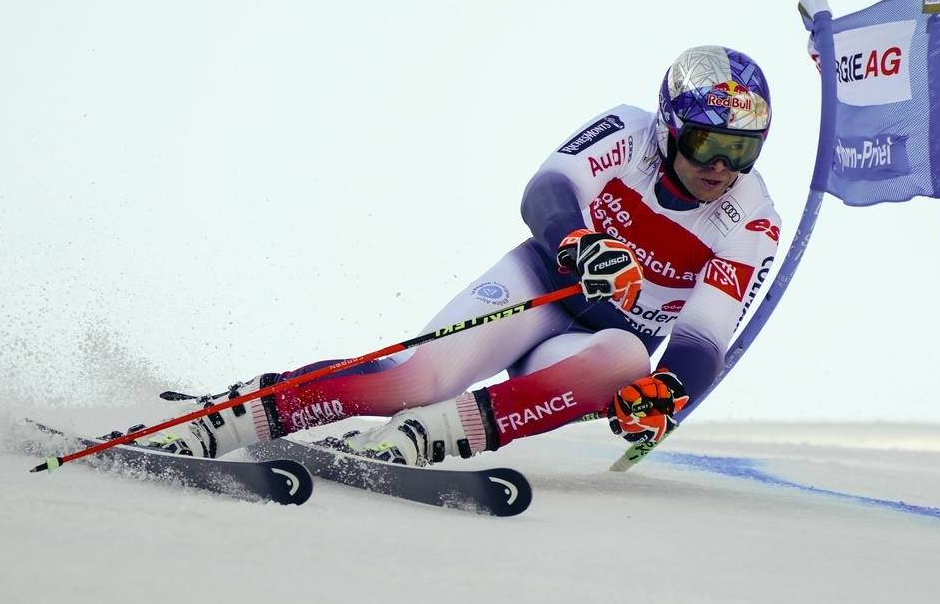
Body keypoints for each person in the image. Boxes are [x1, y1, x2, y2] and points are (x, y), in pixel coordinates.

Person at [134, 44, 781, 466]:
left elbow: (703, 337)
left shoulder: (749, 217)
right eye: (705, 144)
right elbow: (547, 191)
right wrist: (579, 243)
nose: (722, 166)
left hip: (594, 342)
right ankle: (240, 414)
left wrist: (669, 390)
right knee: (415, 381)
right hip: (541, 286)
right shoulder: (626, 130)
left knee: (627, 360)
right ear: (669, 129)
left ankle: (429, 438)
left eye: (742, 150)